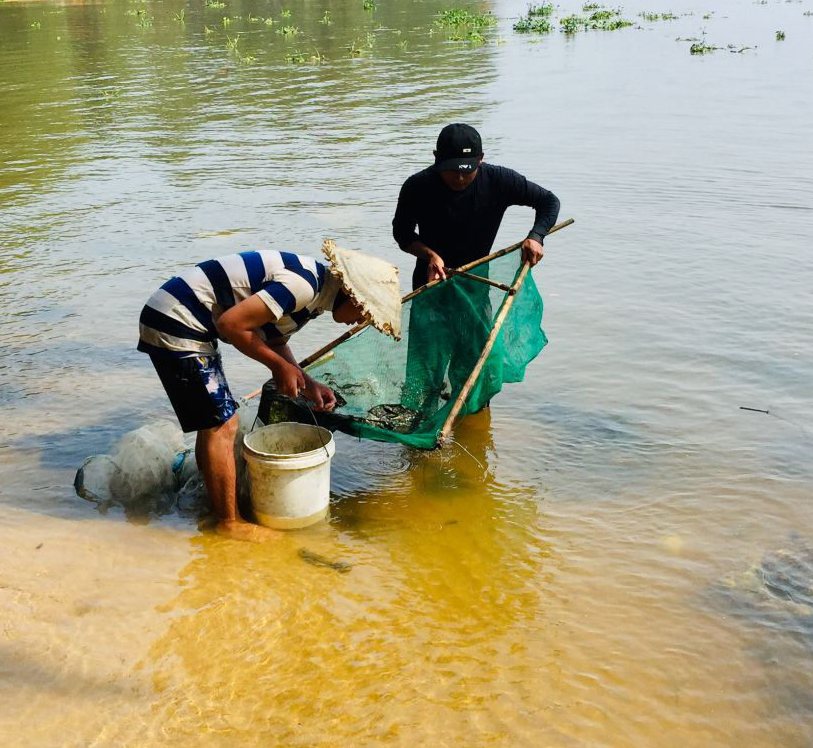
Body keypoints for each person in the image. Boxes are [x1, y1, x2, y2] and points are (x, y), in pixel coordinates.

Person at [138, 241, 402, 540]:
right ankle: (229, 523)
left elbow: (273, 342)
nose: (362, 319)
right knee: (222, 424)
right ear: (354, 294)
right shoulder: (303, 286)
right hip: (177, 320)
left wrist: (306, 382)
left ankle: (214, 504)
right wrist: (280, 368)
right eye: (366, 310)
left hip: (186, 323)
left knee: (215, 423)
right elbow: (231, 325)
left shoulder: (316, 297)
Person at [392, 123, 560, 287]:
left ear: (480, 159)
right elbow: (402, 234)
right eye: (452, 170)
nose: (459, 178)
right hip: (429, 281)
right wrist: (430, 256)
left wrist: (536, 236)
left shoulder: (499, 180)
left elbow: (549, 201)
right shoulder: (417, 186)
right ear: (436, 157)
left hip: (477, 282)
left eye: (467, 170)